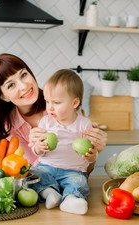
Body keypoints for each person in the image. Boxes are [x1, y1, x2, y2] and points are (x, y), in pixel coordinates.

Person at [0, 53, 107, 168]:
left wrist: (95, 149)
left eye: (23, 75)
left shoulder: (63, 104)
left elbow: (85, 164)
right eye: (11, 85)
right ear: (4, 97)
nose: (24, 86)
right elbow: (27, 169)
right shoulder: (10, 127)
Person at [29, 69, 94, 215]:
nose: (50, 107)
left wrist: (90, 156)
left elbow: (91, 154)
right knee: (33, 174)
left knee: (79, 183)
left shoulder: (84, 125)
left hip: (73, 171)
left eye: (56, 102)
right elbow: (36, 149)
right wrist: (38, 148)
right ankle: (50, 194)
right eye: (47, 101)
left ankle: (71, 200)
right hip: (47, 167)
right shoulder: (45, 122)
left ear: (74, 102)